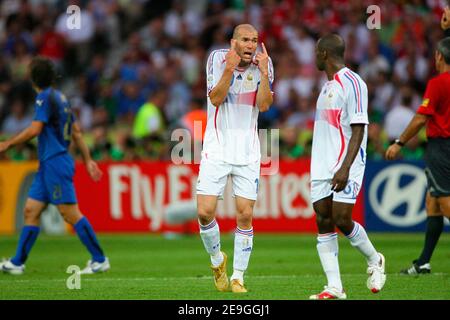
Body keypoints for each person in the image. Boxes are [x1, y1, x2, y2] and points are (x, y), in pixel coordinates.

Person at [0, 57, 109, 275]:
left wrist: (9, 144)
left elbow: (35, 129)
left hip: (55, 162)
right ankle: (17, 262)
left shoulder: (43, 98)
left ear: (33, 78)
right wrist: (87, 160)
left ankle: (100, 259)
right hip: (49, 164)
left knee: (69, 213)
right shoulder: (61, 98)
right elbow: (77, 132)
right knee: (31, 210)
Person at [196, 24, 273, 293]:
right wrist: (229, 68)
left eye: (254, 40)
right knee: (205, 212)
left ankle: (238, 276)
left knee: (245, 214)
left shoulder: (264, 64)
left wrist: (263, 73)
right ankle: (218, 261)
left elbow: (264, 105)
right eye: (245, 40)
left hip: (248, 152)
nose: (251, 45)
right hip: (216, 147)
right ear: (233, 42)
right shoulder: (217, 59)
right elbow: (215, 99)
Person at [309, 34, 386, 300]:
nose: (314, 56)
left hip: (345, 162)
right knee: (323, 217)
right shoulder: (327, 86)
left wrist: (344, 167)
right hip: (321, 163)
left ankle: (375, 260)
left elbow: (358, 129)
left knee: (341, 218)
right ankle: (334, 287)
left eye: (316, 52)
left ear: (324, 54)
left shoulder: (353, 82)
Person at [386, 37, 450, 275]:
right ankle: (423, 262)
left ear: (440, 57)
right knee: (432, 202)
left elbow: (421, 118)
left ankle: (423, 262)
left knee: (444, 201)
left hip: (442, 147)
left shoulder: (438, 83)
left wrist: (399, 142)